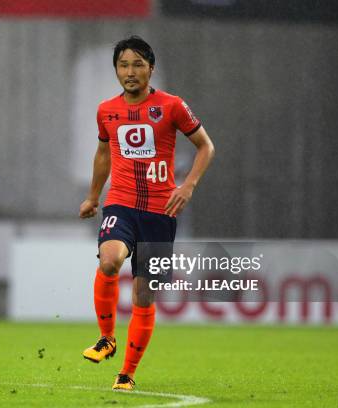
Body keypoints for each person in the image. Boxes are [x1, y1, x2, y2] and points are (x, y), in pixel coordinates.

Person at [79, 36, 215, 390]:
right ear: (116, 70)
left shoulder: (172, 106)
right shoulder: (106, 110)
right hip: (121, 204)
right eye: (123, 65)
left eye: (138, 64)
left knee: (143, 293)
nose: (130, 72)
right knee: (109, 260)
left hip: (159, 211)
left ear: (151, 68)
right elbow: (103, 154)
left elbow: (205, 147)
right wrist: (93, 196)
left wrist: (187, 187)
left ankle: (126, 374)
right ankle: (106, 338)